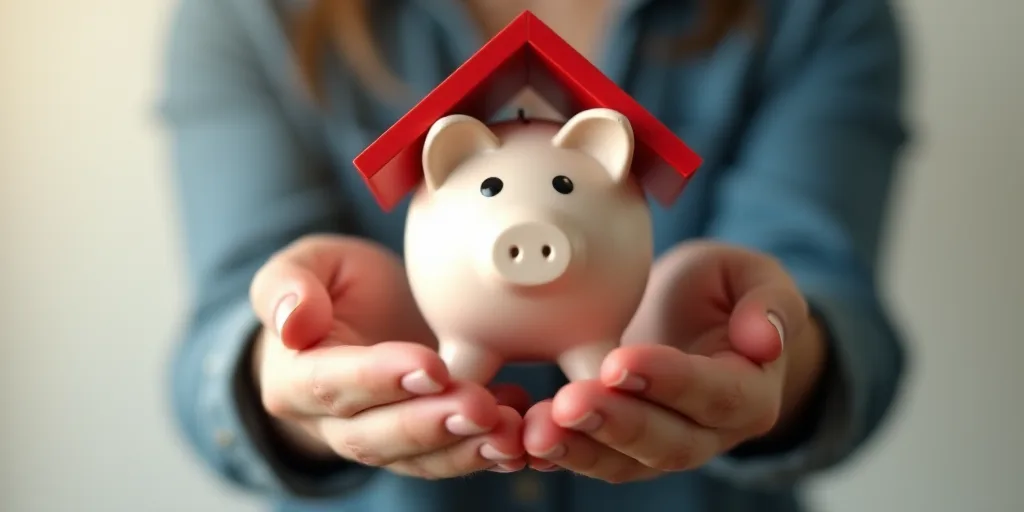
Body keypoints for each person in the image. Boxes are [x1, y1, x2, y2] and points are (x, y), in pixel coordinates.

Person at [159, 0, 910, 510]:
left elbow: (831, 295)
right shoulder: (252, 15)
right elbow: (226, 316)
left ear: (597, 154)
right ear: (454, 159)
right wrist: (290, 369)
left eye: (562, 183)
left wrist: (782, 357)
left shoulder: (815, 13)